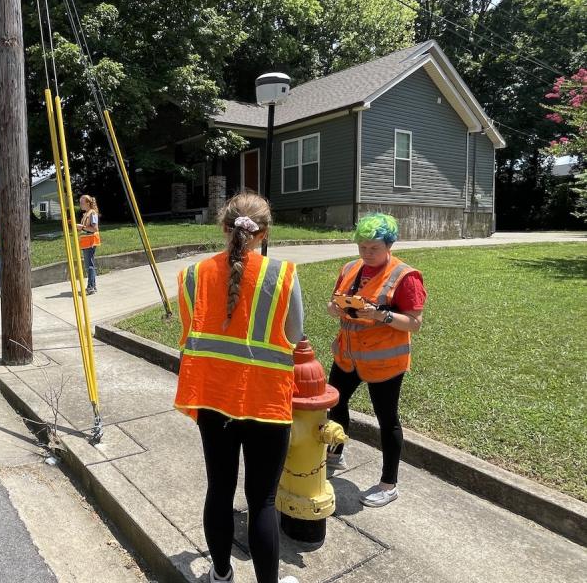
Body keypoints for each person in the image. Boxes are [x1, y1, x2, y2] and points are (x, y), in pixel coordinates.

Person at [174, 192, 302, 583]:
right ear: (263, 233)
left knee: (219, 490)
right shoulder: (282, 274)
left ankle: (221, 573)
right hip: (266, 403)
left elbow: (188, 334)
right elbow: (295, 335)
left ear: (223, 227)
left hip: (212, 401)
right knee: (262, 501)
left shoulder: (192, 276)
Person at [325, 213, 427, 508]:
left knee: (387, 419)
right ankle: (335, 452)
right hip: (347, 354)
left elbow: (414, 323)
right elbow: (338, 301)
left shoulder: (405, 276)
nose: (367, 254)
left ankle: (389, 484)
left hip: (385, 362)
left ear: (389, 245)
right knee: (336, 403)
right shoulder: (350, 268)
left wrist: (381, 315)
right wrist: (335, 308)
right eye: (363, 247)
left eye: (374, 248)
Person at [76, 194, 101, 295]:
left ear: (87, 203)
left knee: (89, 265)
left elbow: (94, 228)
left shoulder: (92, 213)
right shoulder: (87, 213)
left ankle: (90, 287)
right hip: (86, 242)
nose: (80, 204)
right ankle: (93, 286)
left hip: (90, 242)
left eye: (82, 202)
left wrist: (81, 227)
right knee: (89, 265)